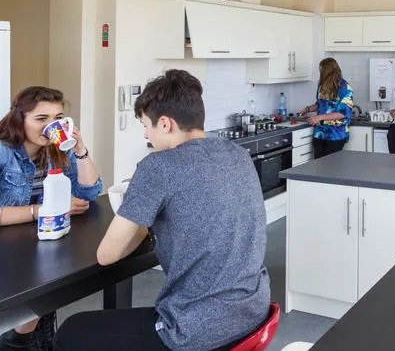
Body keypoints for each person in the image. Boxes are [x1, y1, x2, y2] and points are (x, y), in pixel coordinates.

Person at [54, 70, 271, 350]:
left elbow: (107, 255)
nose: (145, 133)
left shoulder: (158, 166)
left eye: (146, 125)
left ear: (165, 124)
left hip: (196, 329)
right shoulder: (237, 154)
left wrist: (141, 211)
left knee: (72, 331)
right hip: (253, 311)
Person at [0, 86, 102, 351]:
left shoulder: (57, 150)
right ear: (19, 119)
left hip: (36, 241)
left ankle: (27, 339)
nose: (51, 125)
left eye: (57, 118)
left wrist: (79, 148)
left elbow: (88, 193)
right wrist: (47, 209)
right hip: (8, 249)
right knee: (37, 302)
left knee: (47, 292)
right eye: (41, 119)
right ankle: (17, 342)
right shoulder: (3, 152)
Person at [298, 58, 354, 159]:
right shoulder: (322, 86)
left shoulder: (344, 87)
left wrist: (318, 118)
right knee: (318, 166)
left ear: (328, 72)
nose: (320, 73)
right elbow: (320, 104)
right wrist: (308, 109)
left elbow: (343, 113)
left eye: (321, 71)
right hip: (320, 133)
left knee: (331, 169)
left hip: (336, 134)